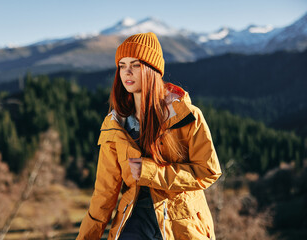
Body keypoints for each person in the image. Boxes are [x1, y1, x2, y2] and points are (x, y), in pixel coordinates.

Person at [77, 32, 222, 240]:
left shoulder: (187, 116)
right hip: (134, 224)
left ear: (152, 69)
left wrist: (152, 172)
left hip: (181, 224)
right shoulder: (114, 125)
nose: (127, 72)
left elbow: (208, 171)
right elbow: (104, 193)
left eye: (135, 65)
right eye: (122, 66)